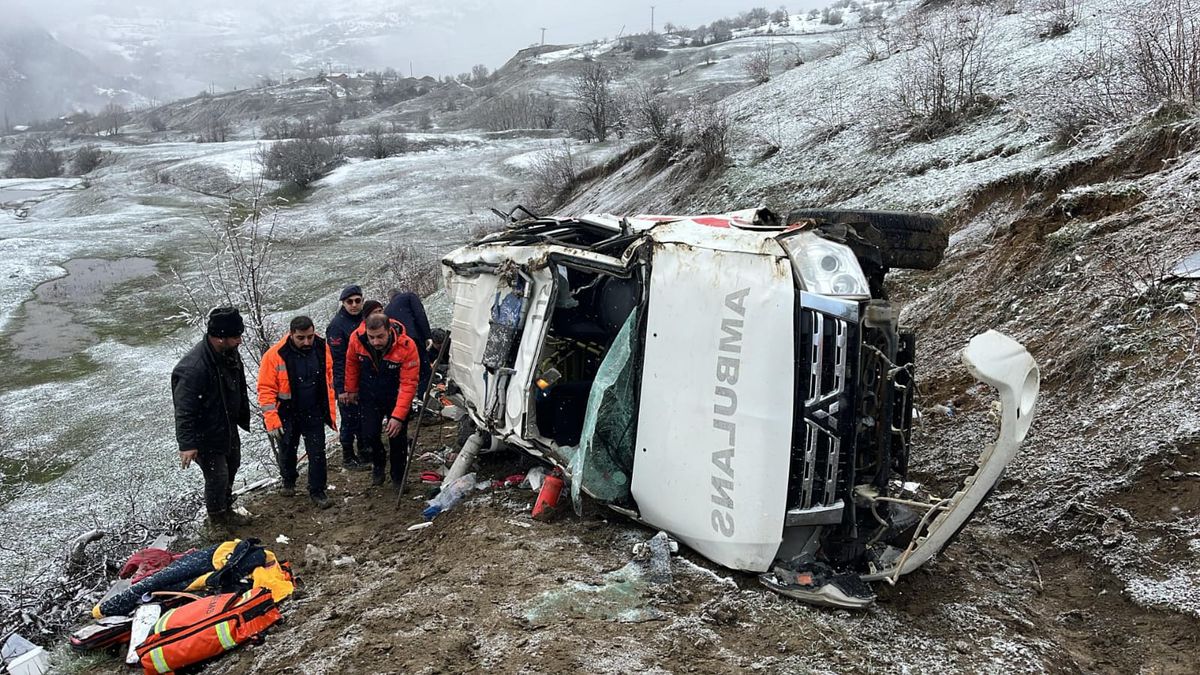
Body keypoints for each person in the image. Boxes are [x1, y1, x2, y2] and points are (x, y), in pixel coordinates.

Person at [171, 307, 251, 530]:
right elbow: (184, 408)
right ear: (219, 337)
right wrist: (187, 444)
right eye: (236, 336)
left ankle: (226, 510)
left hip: (226, 425)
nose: (240, 341)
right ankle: (216, 522)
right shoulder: (194, 368)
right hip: (205, 433)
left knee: (233, 464)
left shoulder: (228, 352)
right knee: (217, 477)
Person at [258, 316, 338, 509]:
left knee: (317, 452)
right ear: (291, 334)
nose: (307, 342)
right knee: (287, 450)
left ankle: (317, 491)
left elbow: (329, 373)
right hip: (287, 412)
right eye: (301, 338)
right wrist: (272, 419)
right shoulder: (275, 355)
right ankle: (289, 481)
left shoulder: (321, 347)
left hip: (314, 409)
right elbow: (266, 388)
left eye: (310, 337)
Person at [344, 312, 420, 490]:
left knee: (397, 437)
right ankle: (378, 463)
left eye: (380, 337)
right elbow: (351, 363)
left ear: (389, 331)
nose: (376, 342)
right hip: (369, 394)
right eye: (372, 337)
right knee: (369, 435)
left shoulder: (407, 345)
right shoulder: (356, 339)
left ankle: (398, 477)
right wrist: (351, 389)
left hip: (395, 395)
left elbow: (409, 384)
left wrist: (398, 416)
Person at [325, 285, 368, 470]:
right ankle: (348, 456)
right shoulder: (336, 326)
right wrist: (342, 388)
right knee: (349, 420)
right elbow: (337, 360)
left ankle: (365, 452)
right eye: (350, 301)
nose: (354, 305)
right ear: (343, 303)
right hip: (346, 381)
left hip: (365, 378)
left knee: (364, 418)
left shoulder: (365, 319)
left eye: (357, 301)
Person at [384, 288, 433, 397]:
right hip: (413, 339)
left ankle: (410, 401)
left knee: (408, 375)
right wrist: (427, 335)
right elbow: (420, 315)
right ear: (400, 293)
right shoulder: (409, 296)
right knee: (425, 371)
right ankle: (424, 398)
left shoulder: (386, 311)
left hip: (398, 347)